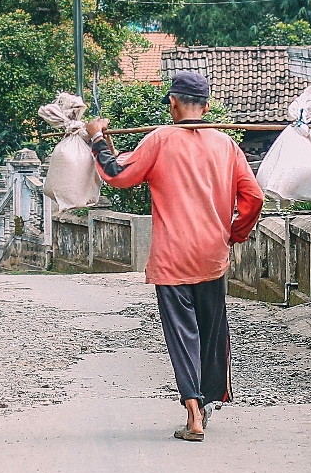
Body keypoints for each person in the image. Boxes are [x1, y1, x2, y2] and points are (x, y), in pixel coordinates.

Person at [86, 71, 263, 441]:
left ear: (172, 103)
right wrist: (234, 233)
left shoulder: (160, 140)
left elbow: (117, 173)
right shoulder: (226, 145)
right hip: (213, 255)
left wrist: (97, 138)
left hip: (172, 259)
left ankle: (194, 412)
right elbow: (254, 198)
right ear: (208, 107)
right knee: (213, 333)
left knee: (182, 333)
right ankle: (210, 399)